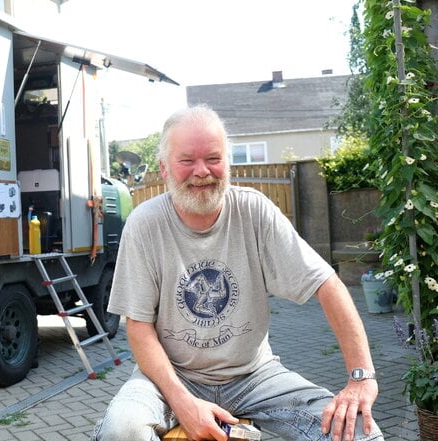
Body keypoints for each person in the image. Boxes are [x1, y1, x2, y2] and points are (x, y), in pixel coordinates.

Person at [91, 105, 383, 441]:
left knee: (359, 433)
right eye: (187, 160)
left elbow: (326, 283)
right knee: (120, 430)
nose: (202, 171)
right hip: (170, 376)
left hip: (255, 376)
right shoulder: (144, 224)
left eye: (213, 158)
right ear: (164, 168)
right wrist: (183, 402)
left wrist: (361, 377)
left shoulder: (254, 211)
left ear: (228, 163)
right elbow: (139, 327)